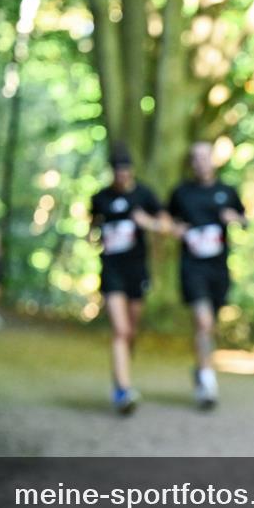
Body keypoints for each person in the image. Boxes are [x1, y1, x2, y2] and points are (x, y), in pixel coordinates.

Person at [155, 141, 246, 409]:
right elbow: (164, 220)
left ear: (213, 161)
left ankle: (201, 368)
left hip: (217, 269)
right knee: (203, 323)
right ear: (191, 163)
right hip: (192, 267)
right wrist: (174, 229)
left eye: (205, 157)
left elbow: (245, 219)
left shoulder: (226, 191)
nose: (200, 163)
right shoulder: (181, 193)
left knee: (210, 326)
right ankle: (208, 383)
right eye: (195, 158)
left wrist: (235, 218)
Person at [90, 142, 172, 414]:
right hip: (111, 270)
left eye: (127, 172)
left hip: (136, 271)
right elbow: (92, 231)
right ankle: (123, 390)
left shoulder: (145, 195)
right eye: (118, 172)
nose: (123, 177)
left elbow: (166, 226)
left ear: (132, 172)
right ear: (112, 173)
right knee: (121, 330)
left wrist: (146, 223)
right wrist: (96, 236)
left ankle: (122, 371)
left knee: (131, 331)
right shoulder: (100, 198)